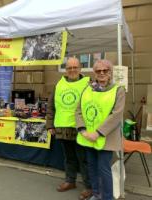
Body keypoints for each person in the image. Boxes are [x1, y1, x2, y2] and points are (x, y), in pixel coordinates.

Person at [76, 60, 125, 200]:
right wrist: (83, 130)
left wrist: (98, 133)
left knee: (104, 169)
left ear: (110, 72)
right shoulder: (87, 89)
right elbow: (78, 110)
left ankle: (107, 198)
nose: (102, 73)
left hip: (106, 138)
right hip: (87, 136)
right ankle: (97, 194)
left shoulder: (118, 90)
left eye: (105, 70)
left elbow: (116, 115)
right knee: (91, 167)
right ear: (94, 73)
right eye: (98, 71)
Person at [46, 57, 92, 200]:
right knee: (69, 157)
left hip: (81, 128)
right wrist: (49, 124)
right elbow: (51, 105)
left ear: (80, 68)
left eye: (75, 67)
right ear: (66, 69)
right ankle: (70, 181)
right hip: (63, 127)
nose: (72, 70)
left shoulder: (88, 84)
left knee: (83, 159)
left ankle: (89, 187)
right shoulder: (59, 84)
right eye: (69, 67)